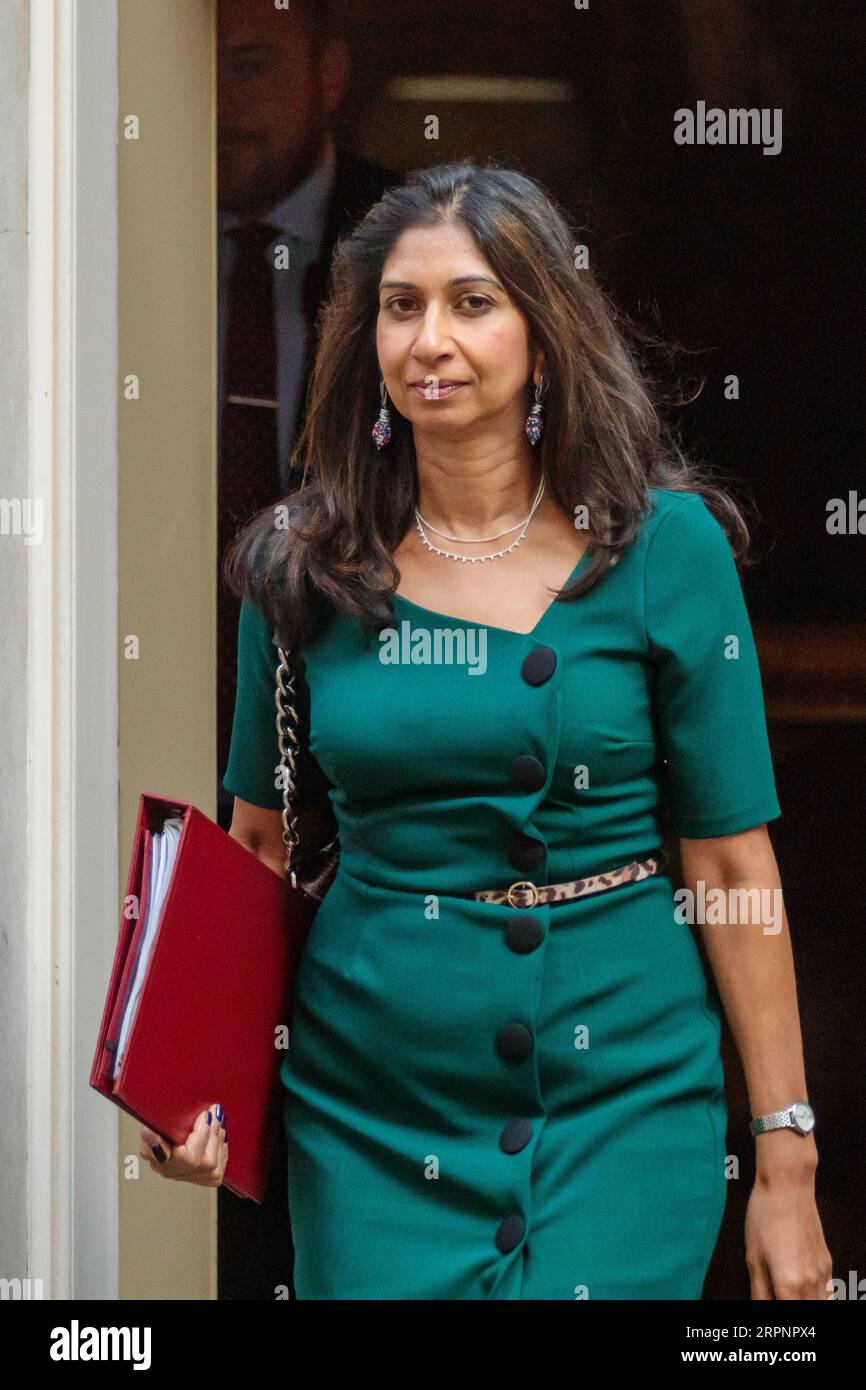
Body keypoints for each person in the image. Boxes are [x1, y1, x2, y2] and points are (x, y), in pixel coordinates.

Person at [141, 160, 832, 1301]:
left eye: (472, 302)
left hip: (624, 1092)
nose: (429, 338)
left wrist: (784, 1157)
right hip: (372, 1105)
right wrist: (191, 1081)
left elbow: (726, 862)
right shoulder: (299, 568)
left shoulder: (664, 550)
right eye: (399, 306)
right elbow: (255, 846)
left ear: (541, 330)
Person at [216, 0, 397, 829]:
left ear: (330, 76)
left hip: (361, 687)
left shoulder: (407, 243)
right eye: (201, 68)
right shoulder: (93, 233)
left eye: (250, 64)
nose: (218, 98)